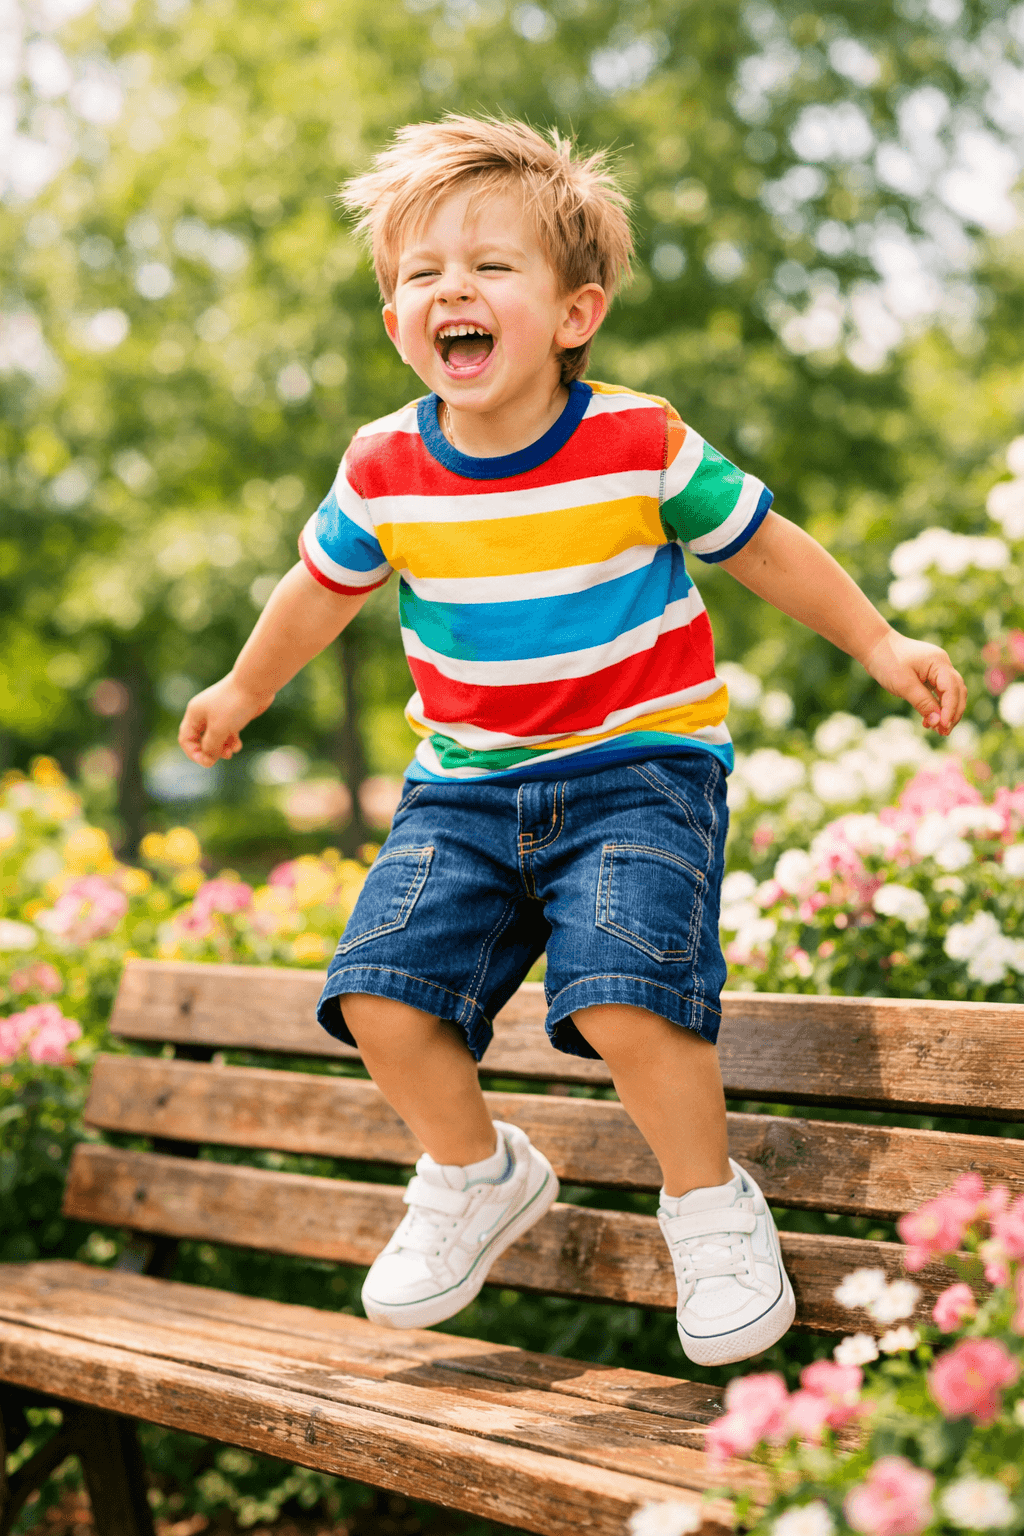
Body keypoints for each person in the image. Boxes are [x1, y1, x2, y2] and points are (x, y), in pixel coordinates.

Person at [179, 115, 966, 1367]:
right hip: (463, 789)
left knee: (622, 994)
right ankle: (474, 1173)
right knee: (379, 996)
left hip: (637, 771)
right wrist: (242, 685)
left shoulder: (636, 441)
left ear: (574, 312)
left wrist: (877, 645)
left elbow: (762, 544)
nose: (454, 290)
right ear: (396, 323)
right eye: (424, 274)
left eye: (491, 266)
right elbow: (318, 588)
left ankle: (708, 1211)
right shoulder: (383, 466)